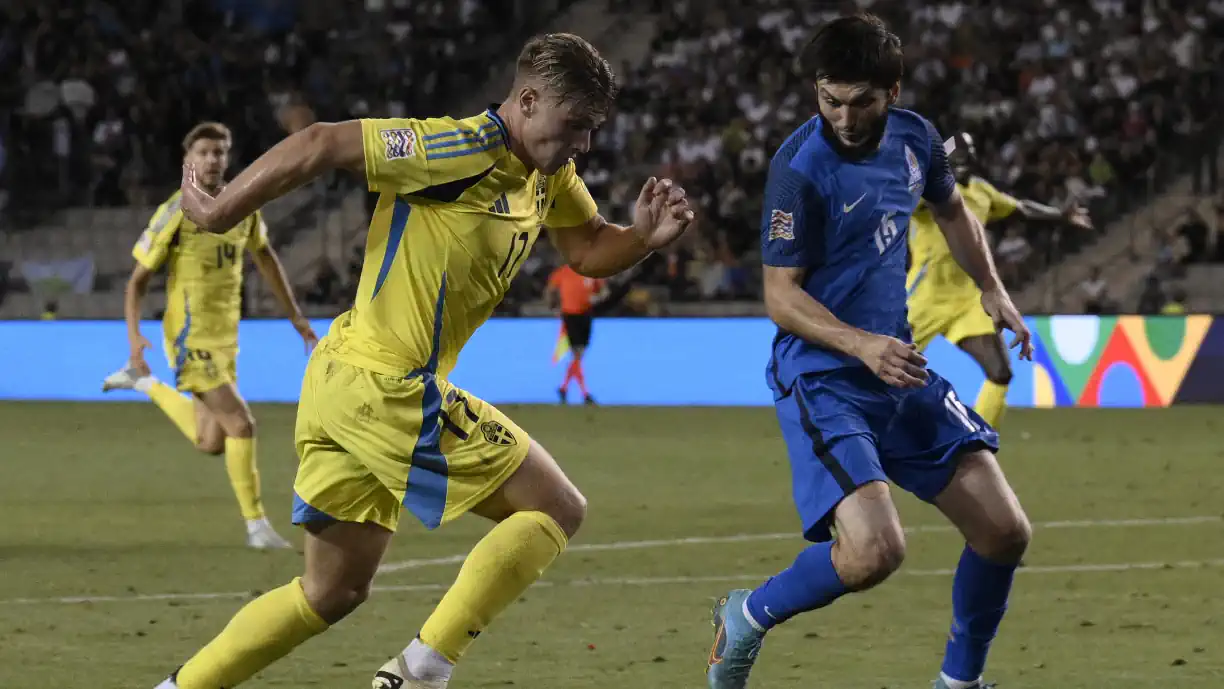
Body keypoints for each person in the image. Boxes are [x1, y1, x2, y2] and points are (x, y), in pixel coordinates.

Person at [152, 33, 694, 689]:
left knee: (333, 590)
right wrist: (216, 209)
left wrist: (641, 237)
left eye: (592, 129)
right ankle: (420, 672)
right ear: (526, 100)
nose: (582, 144)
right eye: (574, 125)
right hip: (388, 385)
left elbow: (584, 248)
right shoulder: (458, 148)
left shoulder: (548, 175)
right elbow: (323, 142)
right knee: (556, 507)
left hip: (343, 384)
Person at [706, 15, 1033, 689]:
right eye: (830, 100)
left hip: (897, 367)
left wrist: (992, 289)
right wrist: (862, 345)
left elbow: (952, 211)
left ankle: (958, 683)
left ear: (892, 90)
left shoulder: (916, 139)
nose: (844, 117)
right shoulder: (799, 169)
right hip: (824, 375)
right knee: (875, 552)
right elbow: (780, 297)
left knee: (1004, 530)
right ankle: (748, 612)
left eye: (859, 101)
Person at [103, 122, 316, 550]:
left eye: (220, 152)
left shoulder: (243, 207)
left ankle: (141, 382)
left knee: (211, 440)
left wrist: (297, 319)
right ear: (189, 160)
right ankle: (256, 526)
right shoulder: (175, 211)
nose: (213, 160)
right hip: (189, 336)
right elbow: (138, 280)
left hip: (225, 337)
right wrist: (134, 337)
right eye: (204, 152)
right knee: (241, 424)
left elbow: (267, 259)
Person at [907, 132, 1091, 427]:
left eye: (967, 157)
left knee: (1000, 373)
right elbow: (905, 202)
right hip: (923, 298)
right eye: (957, 159)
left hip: (967, 299)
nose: (963, 163)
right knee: (883, 371)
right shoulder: (927, 193)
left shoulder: (981, 191)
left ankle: (977, 443)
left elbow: (1021, 208)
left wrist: (1060, 215)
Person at [545, 262, 607, 404]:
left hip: (586, 315)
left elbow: (603, 291)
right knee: (577, 354)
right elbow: (550, 290)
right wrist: (553, 307)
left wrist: (597, 298)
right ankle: (585, 393)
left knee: (578, 354)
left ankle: (564, 388)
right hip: (570, 316)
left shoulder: (591, 271)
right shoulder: (563, 272)